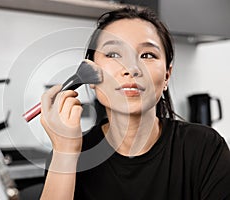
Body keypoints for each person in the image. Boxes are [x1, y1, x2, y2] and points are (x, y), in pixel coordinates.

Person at [38, 6, 230, 200]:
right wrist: (65, 153)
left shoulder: (205, 148)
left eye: (147, 55)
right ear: (92, 73)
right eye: (113, 54)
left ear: (166, 76)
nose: (131, 68)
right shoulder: (69, 154)